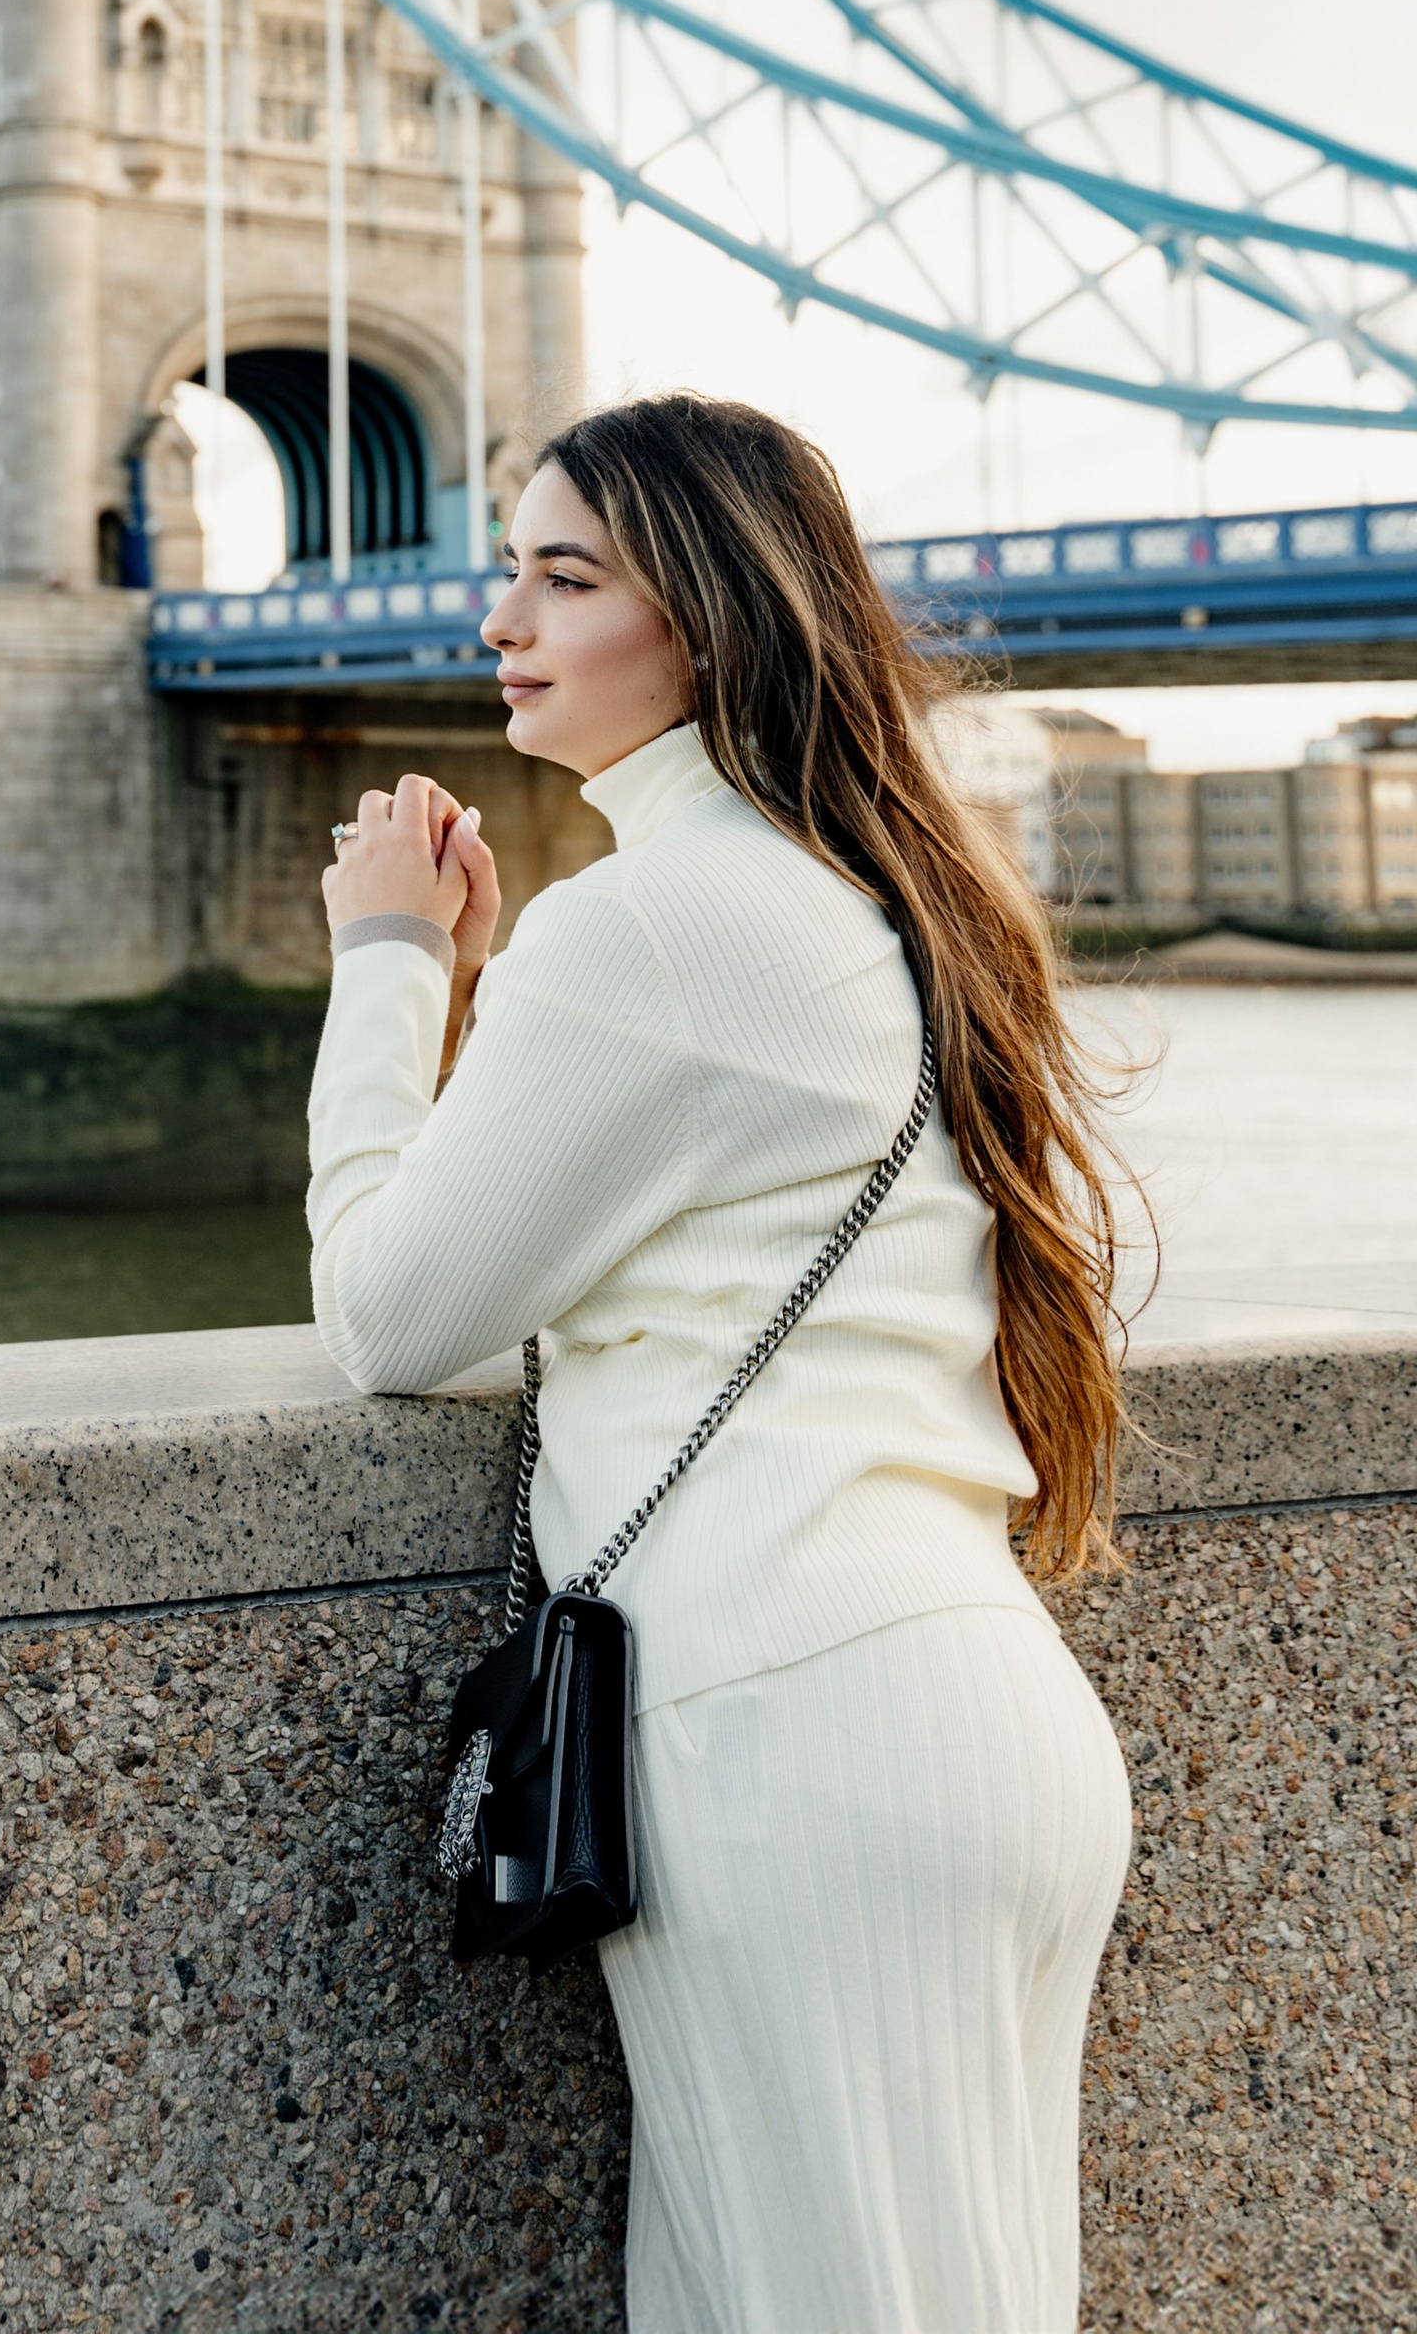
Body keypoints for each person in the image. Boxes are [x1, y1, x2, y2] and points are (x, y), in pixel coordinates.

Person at [309, 393, 1133, 2334]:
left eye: (563, 575)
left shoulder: (649, 926)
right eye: (504, 568)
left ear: (704, 614)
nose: (498, 617)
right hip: (978, 1717)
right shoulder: (886, 902)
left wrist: (381, 966)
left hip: (795, 1746)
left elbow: (388, 1315)